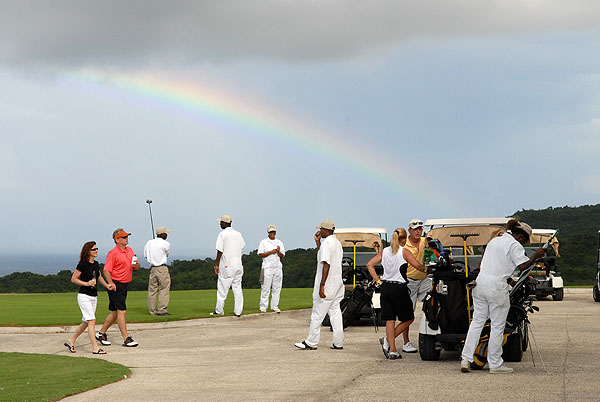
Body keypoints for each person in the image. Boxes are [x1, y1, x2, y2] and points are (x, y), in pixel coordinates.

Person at [460, 219, 546, 374]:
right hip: (497, 288)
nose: (523, 244)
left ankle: (466, 359)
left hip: (480, 284)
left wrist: (510, 280)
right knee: (497, 326)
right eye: (525, 241)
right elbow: (522, 266)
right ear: (521, 237)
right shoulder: (514, 245)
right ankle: (495, 363)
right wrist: (536, 256)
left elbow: (496, 266)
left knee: (477, 323)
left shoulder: (494, 241)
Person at [295, 220, 344, 350]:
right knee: (335, 313)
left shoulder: (327, 244)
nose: (319, 231)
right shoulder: (337, 243)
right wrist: (318, 243)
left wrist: (322, 285)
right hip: (337, 284)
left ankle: (311, 341)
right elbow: (324, 255)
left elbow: (326, 264)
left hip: (327, 284)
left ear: (326, 230)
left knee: (317, 313)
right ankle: (338, 342)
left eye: (321, 229)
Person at [367, 228, 414, 360]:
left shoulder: (385, 251)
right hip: (399, 288)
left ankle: (393, 350)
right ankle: (388, 340)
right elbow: (417, 265)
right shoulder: (404, 251)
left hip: (385, 286)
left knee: (390, 319)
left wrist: (378, 280)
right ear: (403, 239)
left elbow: (369, 264)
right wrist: (426, 268)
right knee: (409, 318)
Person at [64, 241, 114, 355]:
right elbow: (74, 279)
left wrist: (107, 285)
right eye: (93, 249)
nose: (96, 251)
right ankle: (95, 348)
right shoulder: (83, 264)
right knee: (92, 320)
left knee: (86, 322)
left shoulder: (96, 264)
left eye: (97, 249)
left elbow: (99, 276)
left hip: (93, 296)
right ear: (88, 251)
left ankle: (71, 340)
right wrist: (86, 284)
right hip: (84, 296)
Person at [96, 228, 141, 347]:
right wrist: (110, 283)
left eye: (127, 237)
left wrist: (137, 265)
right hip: (116, 284)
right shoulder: (113, 253)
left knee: (115, 312)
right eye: (124, 237)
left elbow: (135, 267)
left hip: (125, 284)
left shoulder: (129, 250)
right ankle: (126, 339)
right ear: (117, 240)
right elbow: (106, 270)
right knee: (122, 311)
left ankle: (101, 333)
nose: (127, 239)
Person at [399, 218, 429, 353]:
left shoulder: (425, 241)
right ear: (409, 230)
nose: (418, 231)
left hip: (425, 279)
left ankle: (432, 334)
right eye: (415, 229)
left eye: (420, 229)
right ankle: (406, 342)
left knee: (434, 301)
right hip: (409, 281)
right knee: (408, 313)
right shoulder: (404, 244)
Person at [211, 215, 246, 317]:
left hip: (227, 264)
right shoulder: (238, 234)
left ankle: (219, 310)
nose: (220, 224)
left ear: (225, 223)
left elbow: (220, 250)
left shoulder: (222, 234)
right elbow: (241, 248)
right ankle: (238, 311)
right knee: (237, 288)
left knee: (222, 289)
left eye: (221, 222)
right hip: (238, 264)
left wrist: (216, 264)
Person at [144, 226, 172, 316]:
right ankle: (162, 310)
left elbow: (146, 255)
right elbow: (167, 254)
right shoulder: (166, 243)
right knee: (164, 288)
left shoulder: (149, 243)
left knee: (152, 290)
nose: (166, 235)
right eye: (165, 233)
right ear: (162, 234)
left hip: (152, 269)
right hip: (162, 268)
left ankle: (152, 311)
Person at [258, 225, 285, 313]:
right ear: (268, 232)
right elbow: (261, 254)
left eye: (273, 232)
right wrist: (271, 252)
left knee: (277, 288)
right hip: (267, 267)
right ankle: (263, 306)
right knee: (265, 288)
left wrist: (278, 251)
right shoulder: (263, 242)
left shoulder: (279, 242)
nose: (272, 233)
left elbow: (282, 256)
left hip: (277, 267)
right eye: (271, 232)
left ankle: (274, 306)